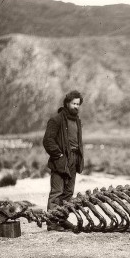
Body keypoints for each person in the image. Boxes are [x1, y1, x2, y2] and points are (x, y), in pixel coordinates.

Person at [43, 90, 84, 231]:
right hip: (60, 160)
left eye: (78, 104)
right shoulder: (56, 119)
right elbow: (48, 141)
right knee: (57, 192)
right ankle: (52, 222)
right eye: (73, 103)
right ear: (67, 103)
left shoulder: (77, 121)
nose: (76, 106)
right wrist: (59, 156)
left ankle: (62, 220)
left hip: (74, 159)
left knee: (68, 193)